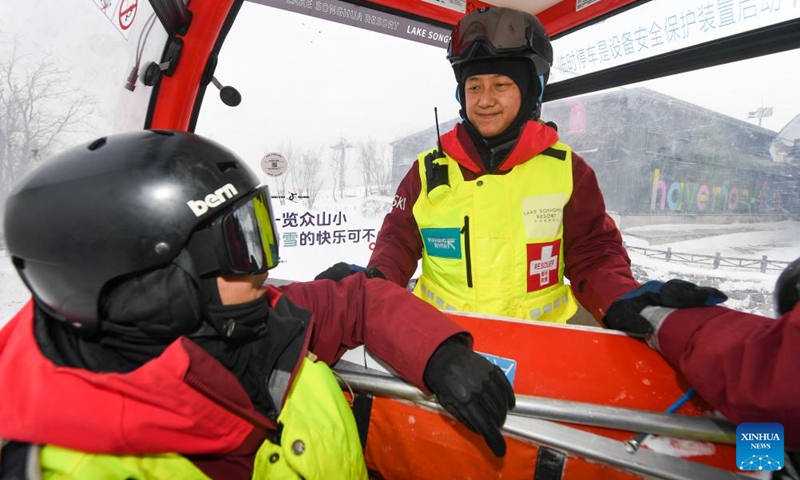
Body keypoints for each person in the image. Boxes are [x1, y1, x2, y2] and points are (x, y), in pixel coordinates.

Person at [0, 130, 515, 479]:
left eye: (261, 235)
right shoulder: (73, 463)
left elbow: (357, 299)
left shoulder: (250, 318)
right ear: (156, 283)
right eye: (242, 246)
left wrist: (438, 353)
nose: (264, 268)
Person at [318, 6, 640, 325]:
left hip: (542, 348)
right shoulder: (425, 172)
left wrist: (625, 301)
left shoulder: (568, 171)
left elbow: (595, 254)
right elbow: (396, 244)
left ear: (530, 93)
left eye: (501, 85)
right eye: (474, 87)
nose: (485, 100)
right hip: (442, 346)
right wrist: (375, 281)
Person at [602, 265, 800, 451]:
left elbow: (775, 379)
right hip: (768, 433)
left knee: (763, 451)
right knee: (764, 455)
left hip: (765, 430)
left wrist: (661, 317)